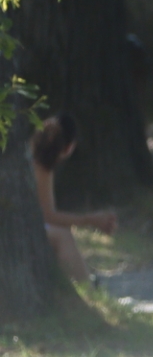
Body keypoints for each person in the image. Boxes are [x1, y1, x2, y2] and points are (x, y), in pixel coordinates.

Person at [31, 113, 113, 285]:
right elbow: (48, 216)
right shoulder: (41, 168)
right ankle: (87, 288)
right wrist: (90, 220)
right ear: (69, 148)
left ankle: (77, 282)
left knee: (59, 232)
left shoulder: (28, 157)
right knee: (63, 236)